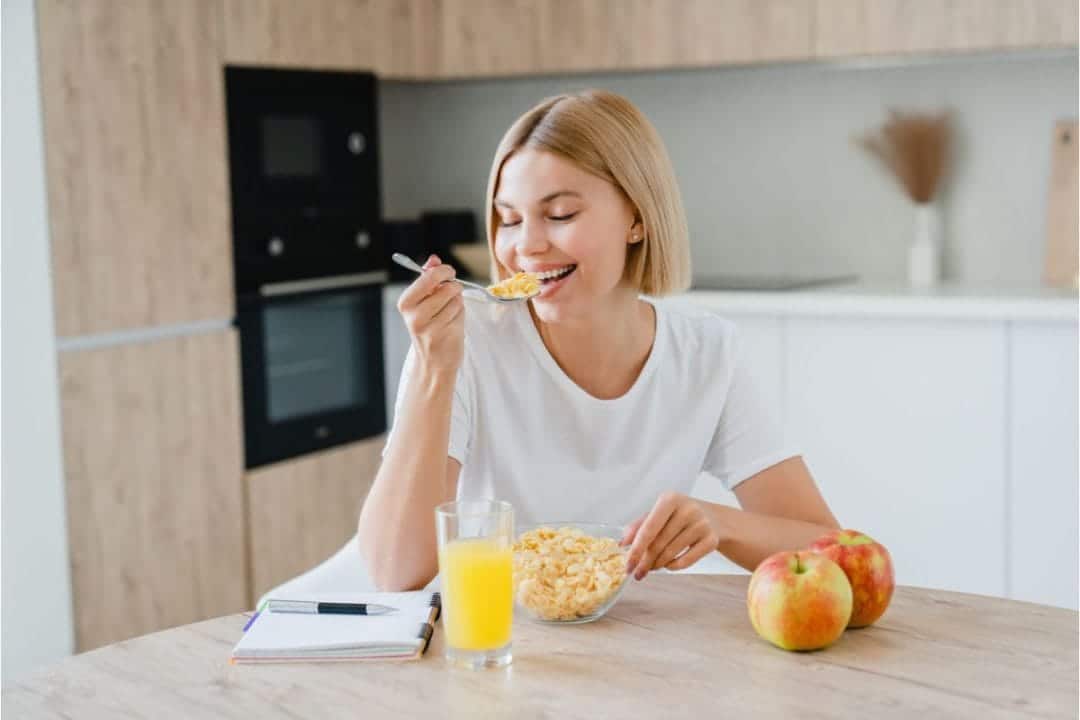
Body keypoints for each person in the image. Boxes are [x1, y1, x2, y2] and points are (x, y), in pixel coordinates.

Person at [358, 89, 840, 591]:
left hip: (628, 646)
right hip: (491, 642)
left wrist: (721, 524)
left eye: (561, 214)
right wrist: (436, 367)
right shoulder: (465, 340)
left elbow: (830, 549)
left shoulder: (705, 354)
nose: (526, 246)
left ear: (636, 217)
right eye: (510, 219)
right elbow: (395, 571)